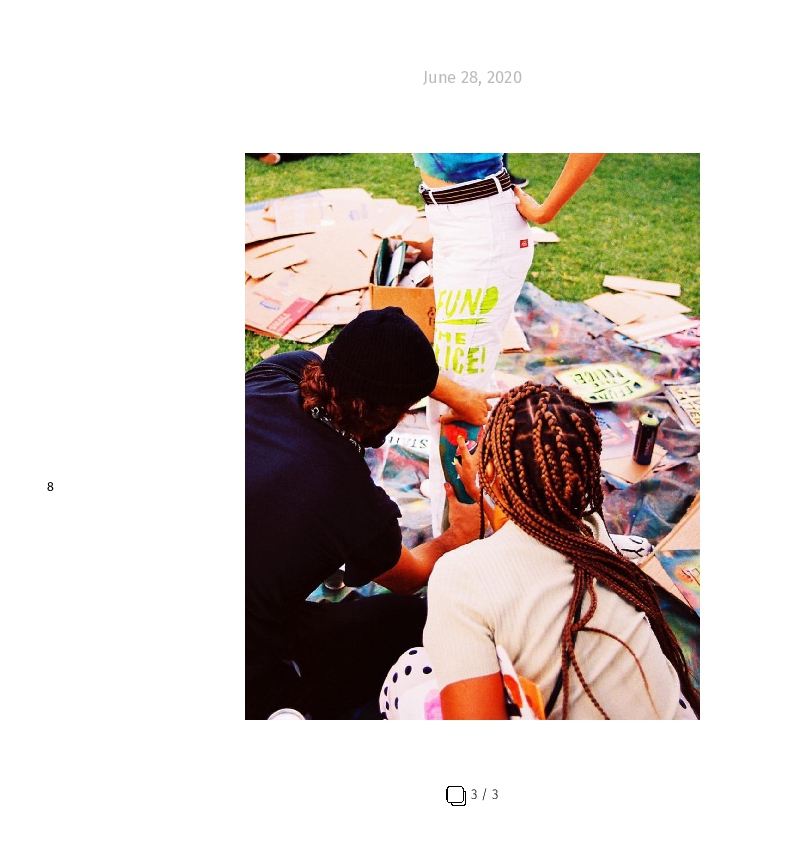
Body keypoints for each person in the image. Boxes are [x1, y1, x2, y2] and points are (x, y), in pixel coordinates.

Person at [383, 381, 700, 720]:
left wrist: (481, 494)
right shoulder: (591, 531)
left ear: (488, 471)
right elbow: (530, 533)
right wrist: (489, 493)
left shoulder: (458, 577)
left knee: (411, 673)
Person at [245, 306, 480, 720]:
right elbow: (409, 576)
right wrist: (459, 533)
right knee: (415, 619)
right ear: (387, 415)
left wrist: (458, 395)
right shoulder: (347, 495)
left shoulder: (272, 378)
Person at [413, 153, 605, 536]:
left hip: (480, 232)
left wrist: (547, 210)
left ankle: (458, 538)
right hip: (457, 225)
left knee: (455, 399)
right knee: (456, 391)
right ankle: (463, 506)